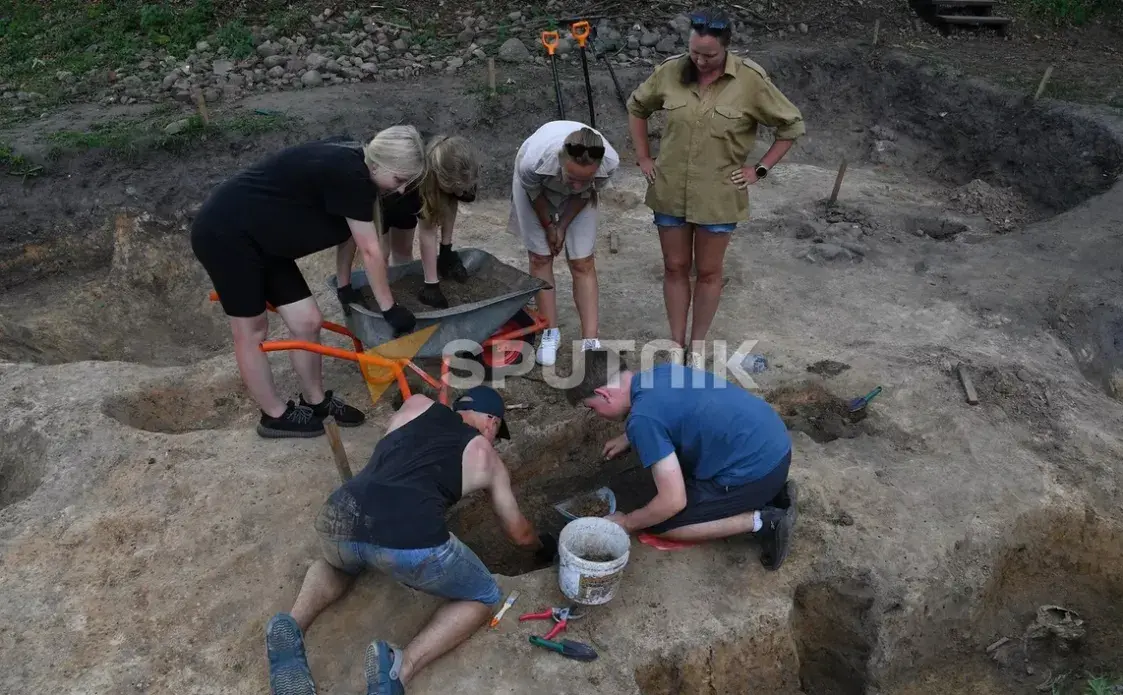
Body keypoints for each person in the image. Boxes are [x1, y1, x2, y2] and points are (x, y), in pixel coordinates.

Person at [265, 385, 550, 695]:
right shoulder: (486, 455)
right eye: (496, 431)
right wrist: (542, 547)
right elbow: (519, 534)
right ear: (492, 422)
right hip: (410, 537)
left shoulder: (415, 404)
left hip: (342, 513)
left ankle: (291, 628)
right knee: (484, 595)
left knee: (340, 563)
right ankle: (400, 669)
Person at [191, 127, 427, 439]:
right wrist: (389, 308)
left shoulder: (358, 170)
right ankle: (274, 416)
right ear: (378, 164)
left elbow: (354, 240)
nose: (400, 191)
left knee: (308, 321)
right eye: (399, 180)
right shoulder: (351, 176)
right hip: (226, 236)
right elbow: (371, 250)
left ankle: (316, 402)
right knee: (251, 331)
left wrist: (345, 285)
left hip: (266, 242)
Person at [626, 7, 806, 368]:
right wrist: (644, 157)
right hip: (671, 188)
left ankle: (697, 346)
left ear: (726, 49)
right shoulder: (671, 71)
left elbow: (791, 126)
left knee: (708, 272)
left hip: (719, 194)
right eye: (695, 52)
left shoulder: (750, 81)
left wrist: (759, 169)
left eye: (709, 55)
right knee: (675, 266)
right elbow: (637, 106)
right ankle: (676, 345)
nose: (701, 61)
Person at [565, 348, 798, 570]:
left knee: (661, 523)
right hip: (775, 445)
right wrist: (628, 436)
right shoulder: (659, 373)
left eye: (592, 408)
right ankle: (772, 494)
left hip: (757, 472)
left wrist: (626, 522)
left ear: (603, 394)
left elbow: (673, 502)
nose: (597, 415)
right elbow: (670, 408)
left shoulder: (644, 420)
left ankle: (765, 521)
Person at [507, 120, 620, 367]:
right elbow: (535, 195)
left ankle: (590, 341)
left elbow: (583, 193)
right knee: (541, 257)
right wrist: (549, 227)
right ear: (561, 161)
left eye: (585, 178)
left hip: (580, 201)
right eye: (573, 177)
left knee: (583, 261)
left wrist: (562, 225)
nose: (577, 183)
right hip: (536, 190)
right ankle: (550, 332)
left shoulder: (609, 163)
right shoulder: (532, 162)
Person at [375, 134, 481, 309]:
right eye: (456, 189)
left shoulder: (455, 163)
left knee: (403, 251)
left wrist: (446, 249)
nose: (462, 194)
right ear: (440, 179)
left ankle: (402, 289)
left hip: (408, 191)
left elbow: (450, 201)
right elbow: (428, 232)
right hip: (385, 194)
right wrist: (432, 285)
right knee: (383, 252)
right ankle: (384, 300)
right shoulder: (423, 182)